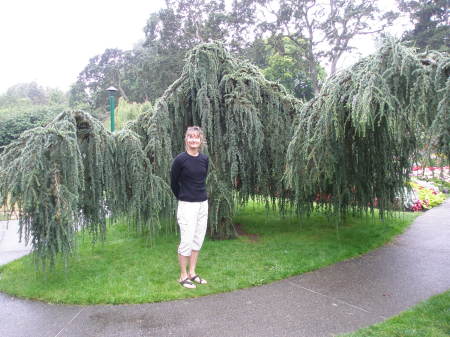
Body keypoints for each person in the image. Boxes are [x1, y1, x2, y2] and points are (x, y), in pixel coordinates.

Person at [170, 126, 209, 289]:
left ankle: (192, 273)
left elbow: (202, 178)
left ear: (201, 140)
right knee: (186, 241)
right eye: (190, 137)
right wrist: (184, 196)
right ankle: (183, 275)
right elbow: (174, 183)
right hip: (187, 205)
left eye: (196, 137)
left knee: (197, 239)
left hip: (202, 204)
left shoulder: (204, 159)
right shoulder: (180, 160)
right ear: (186, 139)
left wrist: (198, 198)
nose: (193, 140)